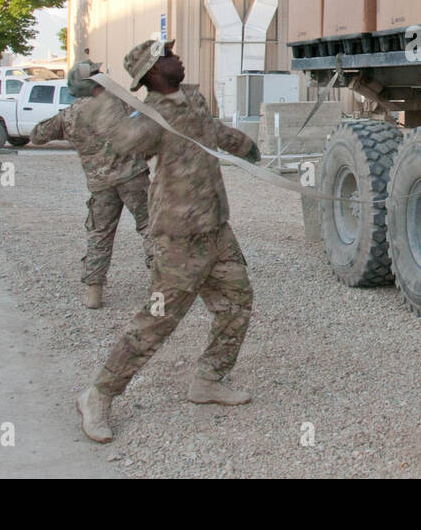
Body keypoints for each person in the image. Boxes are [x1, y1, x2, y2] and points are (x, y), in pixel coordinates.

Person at [75, 39, 261, 444]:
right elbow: (124, 142)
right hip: (178, 236)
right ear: (152, 74)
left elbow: (211, 132)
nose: (176, 56)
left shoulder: (191, 101)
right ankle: (99, 394)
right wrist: (103, 99)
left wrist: (244, 145)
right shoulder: (151, 117)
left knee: (236, 303)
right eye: (166, 56)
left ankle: (208, 380)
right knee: (157, 321)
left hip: (215, 227)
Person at [30, 61, 152, 309]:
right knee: (151, 226)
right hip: (132, 178)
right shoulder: (119, 103)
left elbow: (37, 135)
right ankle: (163, 287)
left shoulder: (70, 115)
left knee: (99, 234)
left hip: (100, 184)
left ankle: (93, 293)